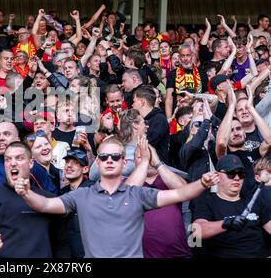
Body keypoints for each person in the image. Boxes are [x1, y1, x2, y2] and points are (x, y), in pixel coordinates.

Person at [14, 136, 219, 258]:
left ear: (123, 163)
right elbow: (46, 205)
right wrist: (26, 193)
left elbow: (179, 193)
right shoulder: (82, 195)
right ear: (98, 163)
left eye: (115, 157)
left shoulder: (137, 193)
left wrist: (202, 183)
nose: (109, 160)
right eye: (103, 157)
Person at [0, 141, 57, 258]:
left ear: (31, 163)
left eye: (19, 158)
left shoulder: (48, 199)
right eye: (7, 159)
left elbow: (62, 243)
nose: (12, 163)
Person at [192, 154, 271, 258]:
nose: (237, 178)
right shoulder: (207, 201)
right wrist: (226, 223)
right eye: (231, 173)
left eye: (241, 174)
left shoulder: (254, 199)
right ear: (217, 175)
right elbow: (197, 231)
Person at [59, 148, 93, 258]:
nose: (69, 166)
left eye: (75, 163)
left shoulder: (93, 190)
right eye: (67, 162)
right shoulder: (62, 192)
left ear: (85, 169)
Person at [132, 85, 170, 164]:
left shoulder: (159, 119)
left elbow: (148, 141)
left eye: (134, 101)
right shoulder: (144, 119)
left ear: (142, 102)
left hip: (158, 169)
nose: (132, 105)